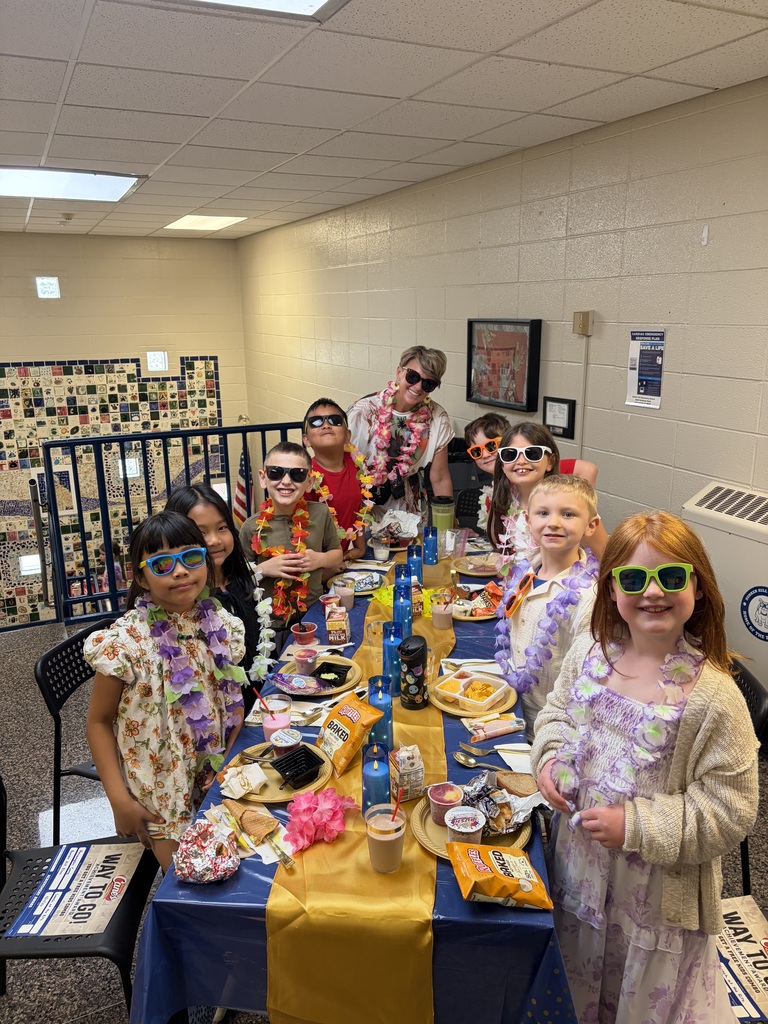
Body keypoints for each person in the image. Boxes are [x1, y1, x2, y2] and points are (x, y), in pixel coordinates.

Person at [531, 510, 759, 1022]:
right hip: (580, 873)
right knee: (581, 982)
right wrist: (550, 758)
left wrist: (636, 823)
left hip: (654, 901)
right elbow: (556, 714)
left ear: (697, 588)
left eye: (670, 577)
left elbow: (731, 809)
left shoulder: (714, 698)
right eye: (633, 579)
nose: (652, 592)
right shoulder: (592, 655)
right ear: (611, 590)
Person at [84, 511, 247, 872]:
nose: (180, 571)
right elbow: (98, 722)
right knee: (187, 878)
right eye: (161, 564)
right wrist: (118, 800)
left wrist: (228, 758)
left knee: (232, 869)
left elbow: (232, 704)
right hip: (160, 790)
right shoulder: (124, 643)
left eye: (191, 557)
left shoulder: (222, 627)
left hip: (213, 773)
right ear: (141, 578)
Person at [496, 475, 600, 740]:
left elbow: (588, 678)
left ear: (591, 526)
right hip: (511, 711)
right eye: (543, 513)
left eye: (568, 514)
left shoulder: (588, 598)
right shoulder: (525, 570)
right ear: (528, 521)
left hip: (553, 730)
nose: (553, 522)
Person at [165, 482, 274, 711]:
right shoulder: (185, 604)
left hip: (260, 701)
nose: (214, 540)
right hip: (216, 714)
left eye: (222, 528)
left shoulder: (241, 580)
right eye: (201, 533)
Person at [239, 441, 341, 638]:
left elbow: (337, 554)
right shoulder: (251, 527)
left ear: (309, 482)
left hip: (314, 615)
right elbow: (238, 579)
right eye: (276, 472)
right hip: (270, 625)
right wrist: (264, 569)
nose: (286, 481)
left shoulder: (320, 513)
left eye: (297, 474)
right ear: (263, 477)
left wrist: (319, 560)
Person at [347, 345, 454, 522]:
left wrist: (449, 527)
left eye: (428, 384)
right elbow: (343, 465)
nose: (418, 387)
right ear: (399, 372)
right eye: (413, 376)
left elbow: (440, 478)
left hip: (411, 511)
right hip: (362, 507)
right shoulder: (364, 411)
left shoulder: (437, 418)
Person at [487, 420, 608, 562]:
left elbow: (607, 557)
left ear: (550, 462)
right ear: (502, 464)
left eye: (532, 454)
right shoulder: (503, 501)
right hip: (519, 582)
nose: (520, 461)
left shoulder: (571, 504)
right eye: (510, 455)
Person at [302, 398, 371, 572]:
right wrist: (323, 568)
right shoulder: (304, 477)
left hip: (341, 564)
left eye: (335, 420)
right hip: (311, 567)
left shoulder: (357, 467)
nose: (326, 425)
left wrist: (359, 547)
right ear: (306, 440)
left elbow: (360, 507)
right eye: (316, 422)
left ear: (347, 435)